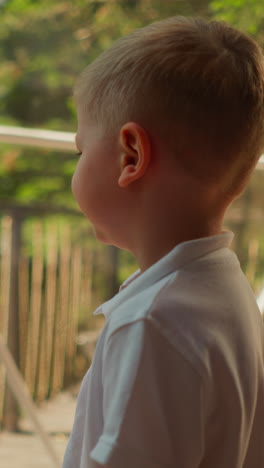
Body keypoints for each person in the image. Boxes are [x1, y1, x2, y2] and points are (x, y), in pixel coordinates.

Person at [63, 16, 264, 468]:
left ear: (130, 155)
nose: (74, 167)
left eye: (80, 151)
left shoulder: (155, 321)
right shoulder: (227, 294)